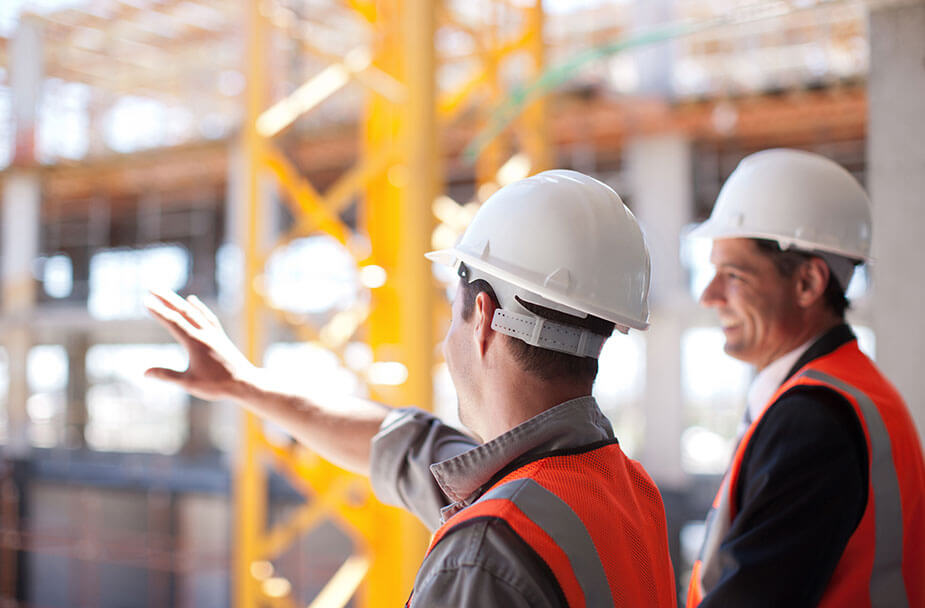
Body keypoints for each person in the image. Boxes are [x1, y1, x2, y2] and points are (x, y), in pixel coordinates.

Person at [146, 170, 677, 607]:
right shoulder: (623, 489)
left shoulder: (487, 550)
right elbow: (406, 445)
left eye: (453, 313)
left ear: (483, 319)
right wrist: (248, 386)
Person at [685, 149, 925, 608]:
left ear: (808, 284)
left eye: (732, 275)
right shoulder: (854, 391)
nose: (708, 295)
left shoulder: (813, 421)